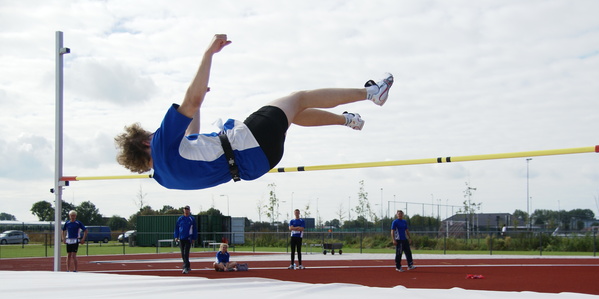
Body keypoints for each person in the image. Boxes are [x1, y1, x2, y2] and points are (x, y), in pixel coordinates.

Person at [114, 34, 394, 190]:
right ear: (145, 142)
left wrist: (199, 104)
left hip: (258, 164)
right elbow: (191, 100)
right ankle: (371, 93)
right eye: (150, 133)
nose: (155, 132)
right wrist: (208, 54)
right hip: (247, 142)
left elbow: (192, 136)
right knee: (298, 98)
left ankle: (348, 121)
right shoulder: (161, 145)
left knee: (293, 113)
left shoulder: (166, 178)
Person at [174, 205, 197, 274]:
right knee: (182, 254)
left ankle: (185, 267)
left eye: (187, 209)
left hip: (188, 238)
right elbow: (177, 228)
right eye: (185, 209)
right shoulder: (180, 218)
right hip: (181, 238)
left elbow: (194, 229)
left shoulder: (191, 219)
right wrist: (176, 236)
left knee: (186, 253)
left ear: (189, 210)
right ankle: (187, 265)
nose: (186, 210)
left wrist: (193, 237)